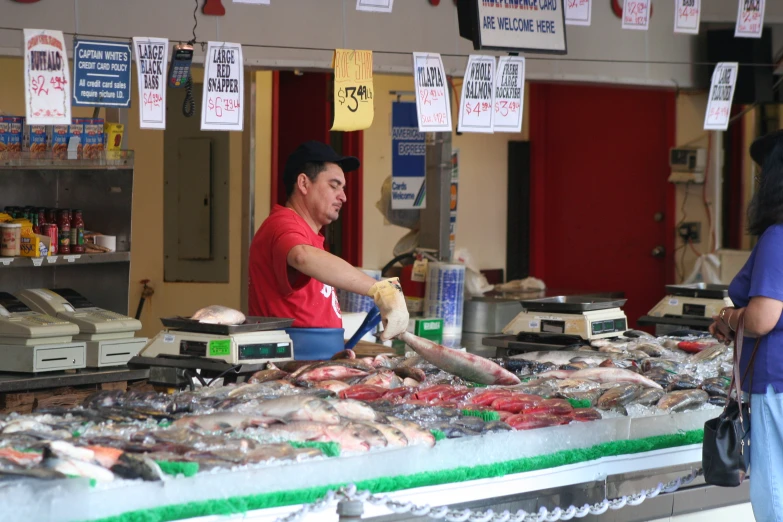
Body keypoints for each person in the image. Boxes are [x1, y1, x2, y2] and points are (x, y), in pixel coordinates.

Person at [248, 140, 409, 342]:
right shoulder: (282, 223)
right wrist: (379, 289)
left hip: (317, 358)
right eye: (334, 186)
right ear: (304, 183)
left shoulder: (310, 236)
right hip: (291, 361)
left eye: (343, 188)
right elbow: (301, 257)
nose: (343, 197)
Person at [709, 129, 783, 522]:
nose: (757, 182)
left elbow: (762, 318)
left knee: (775, 499)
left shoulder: (778, 236)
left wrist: (729, 318)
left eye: (762, 173)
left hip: (777, 386)